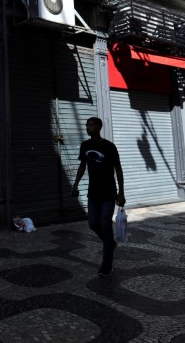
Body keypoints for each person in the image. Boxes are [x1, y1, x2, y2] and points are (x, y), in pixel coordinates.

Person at [71, 117, 126, 277]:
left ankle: (106, 264)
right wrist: (75, 184)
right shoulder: (85, 145)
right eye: (87, 125)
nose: (88, 127)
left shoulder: (109, 146)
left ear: (99, 127)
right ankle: (110, 243)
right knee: (93, 223)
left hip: (109, 191)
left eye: (91, 125)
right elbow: (83, 166)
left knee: (105, 223)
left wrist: (121, 192)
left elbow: (118, 169)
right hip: (93, 192)